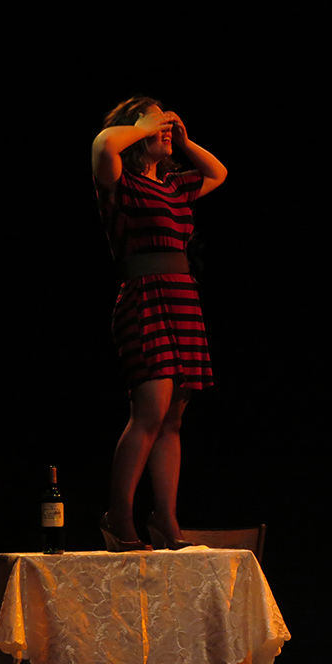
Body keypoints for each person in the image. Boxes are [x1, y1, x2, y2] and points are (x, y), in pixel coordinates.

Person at [92, 95, 227, 551]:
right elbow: (104, 143)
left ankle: (166, 521)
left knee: (173, 418)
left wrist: (183, 141)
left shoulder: (173, 186)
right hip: (144, 296)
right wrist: (146, 124)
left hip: (182, 298)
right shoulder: (120, 181)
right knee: (150, 410)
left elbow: (218, 173)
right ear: (137, 131)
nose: (165, 127)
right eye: (156, 123)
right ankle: (118, 516)